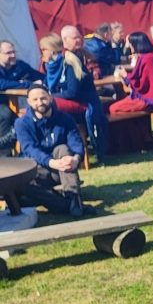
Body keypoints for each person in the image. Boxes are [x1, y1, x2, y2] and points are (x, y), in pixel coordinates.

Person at [14, 83, 94, 216]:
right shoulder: (22, 123)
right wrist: (51, 162)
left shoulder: (65, 118)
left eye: (43, 98)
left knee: (63, 149)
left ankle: (72, 195)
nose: (40, 102)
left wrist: (76, 159)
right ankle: (70, 204)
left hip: (62, 169)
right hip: (37, 171)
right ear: (29, 102)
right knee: (20, 184)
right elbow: (30, 150)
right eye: (35, 99)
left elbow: (76, 142)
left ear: (50, 98)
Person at [43, 32, 109, 162]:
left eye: (43, 49)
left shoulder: (69, 64)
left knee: (49, 104)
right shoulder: (50, 66)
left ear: (51, 50)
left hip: (82, 104)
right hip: (67, 102)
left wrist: (50, 96)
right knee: (40, 105)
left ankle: (70, 151)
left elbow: (72, 92)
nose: (42, 53)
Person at [112, 32, 153, 121]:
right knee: (114, 107)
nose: (130, 46)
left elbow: (142, 85)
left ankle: (135, 129)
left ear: (136, 44)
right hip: (145, 97)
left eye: (131, 44)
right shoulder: (146, 57)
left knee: (113, 109)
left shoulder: (148, 59)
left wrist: (125, 75)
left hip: (147, 100)